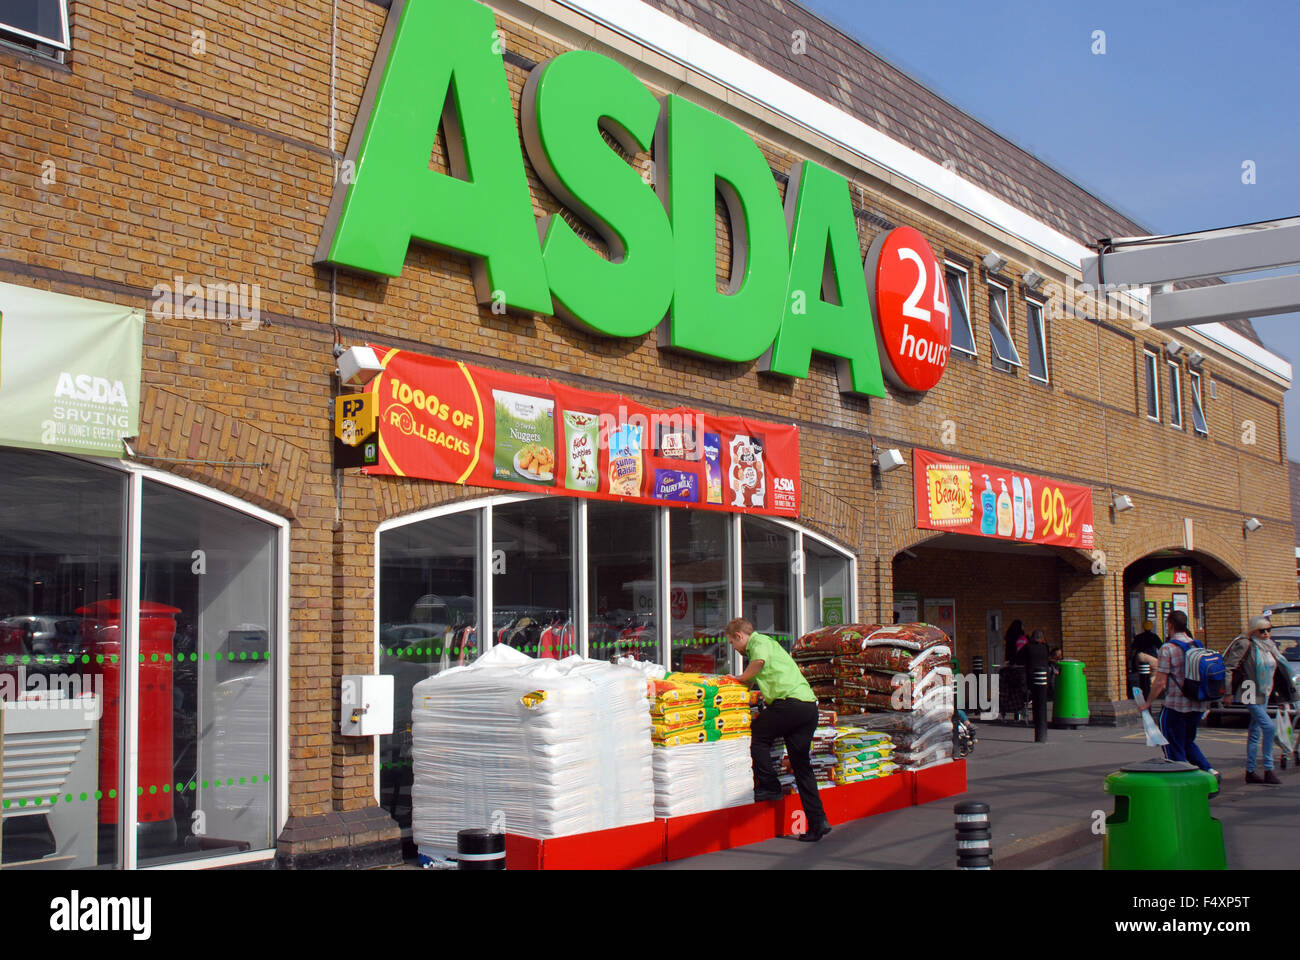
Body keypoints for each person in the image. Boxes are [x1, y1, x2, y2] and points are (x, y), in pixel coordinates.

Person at [724, 617, 831, 843]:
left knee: (758, 736)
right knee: (802, 768)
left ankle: (770, 787)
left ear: (740, 636)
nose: (734, 648)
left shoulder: (758, 643)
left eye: (733, 643)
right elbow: (753, 678)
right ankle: (818, 822)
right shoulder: (767, 648)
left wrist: (739, 677)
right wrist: (739, 686)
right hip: (808, 707)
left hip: (790, 704)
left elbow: (758, 664)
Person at [1138, 610, 1219, 786]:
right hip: (1197, 704)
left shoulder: (1168, 648)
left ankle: (1182, 783)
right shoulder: (1197, 645)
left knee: (1172, 745)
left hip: (1176, 705)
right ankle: (1210, 771)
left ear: (1170, 625)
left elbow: (1160, 682)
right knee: (1187, 741)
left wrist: (1148, 703)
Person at [1223, 615, 1296, 785]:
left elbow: (1279, 670)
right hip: (1250, 688)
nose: (1266, 634)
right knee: (1269, 727)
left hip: (1265, 691)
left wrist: (1285, 694)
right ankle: (1269, 769)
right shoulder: (1245, 644)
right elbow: (1229, 667)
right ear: (1254, 631)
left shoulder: (1270, 647)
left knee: (1255, 732)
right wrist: (1227, 692)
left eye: (1269, 630)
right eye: (1262, 630)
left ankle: (1250, 771)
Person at [1014, 629, 1051, 742]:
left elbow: (1018, 658)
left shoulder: (1028, 647)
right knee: (1041, 700)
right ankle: (1041, 723)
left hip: (1032, 675)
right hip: (1044, 676)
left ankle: (1036, 722)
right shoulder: (1045, 647)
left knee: (1034, 698)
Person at [1130, 620, 1162, 699]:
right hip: (1151, 657)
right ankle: (1149, 686)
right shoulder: (1154, 636)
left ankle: (1141, 686)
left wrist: (1131, 659)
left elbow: (1133, 650)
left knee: (1141, 672)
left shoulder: (1138, 637)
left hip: (1140, 656)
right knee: (1156, 671)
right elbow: (1161, 648)